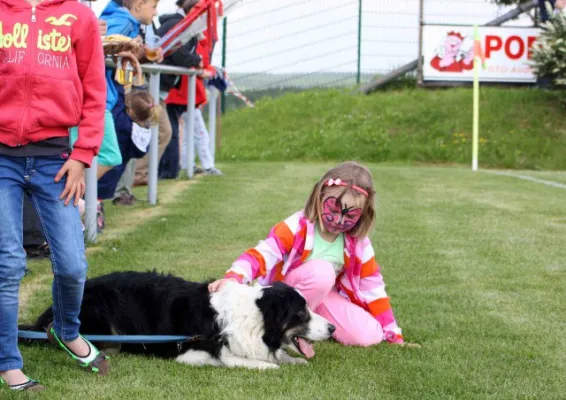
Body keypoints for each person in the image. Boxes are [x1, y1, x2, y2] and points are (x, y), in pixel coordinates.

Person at [0, 0, 109, 391]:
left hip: (57, 162)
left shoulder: (80, 17)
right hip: (2, 161)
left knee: (72, 265)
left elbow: (96, 92)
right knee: (8, 264)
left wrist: (83, 155)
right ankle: (8, 362)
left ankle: (65, 330)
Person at [209, 162, 416, 347]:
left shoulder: (359, 244)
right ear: (320, 196)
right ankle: (276, 326)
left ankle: (312, 324)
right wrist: (234, 277)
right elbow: (262, 255)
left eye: (350, 215)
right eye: (333, 209)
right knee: (322, 273)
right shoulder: (296, 226)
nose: (338, 220)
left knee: (369, 336)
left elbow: (374, 289)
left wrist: (393, 334)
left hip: (322, 298)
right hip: (285, 296)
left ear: (363, 214)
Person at [98, 53, 161, 202]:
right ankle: (97, 217)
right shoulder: (143, 130)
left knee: (86, 201)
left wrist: (119, 64)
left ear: (130, 109)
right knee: (96, 202)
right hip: (112, 179)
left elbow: (118, 90)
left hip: (99, 173)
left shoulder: (120, 122)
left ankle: (93, 220)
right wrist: (137, 69)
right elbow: (140, 95)